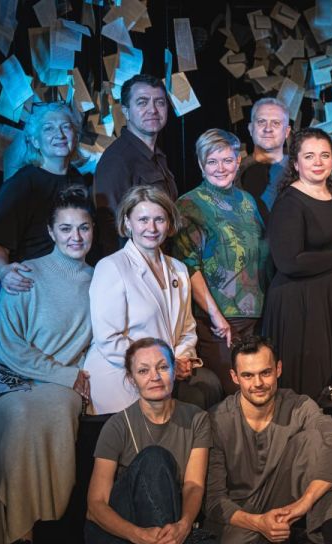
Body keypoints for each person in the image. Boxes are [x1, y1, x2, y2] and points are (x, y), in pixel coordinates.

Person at [56, 338, 236, 544]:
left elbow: (193, 485)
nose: (154, 376)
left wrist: (183, 527)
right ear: (131, 379)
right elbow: (96, 506)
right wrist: (139, 536)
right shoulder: (117, 425)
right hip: (118, 535)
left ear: (174, 371)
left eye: (162, 367)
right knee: (154, 457)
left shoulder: (197, 419)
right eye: (143, 370)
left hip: (167, 529)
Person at [0, 185, 95, 544]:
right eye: (66, 228)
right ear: (51, 231)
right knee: (21, 415)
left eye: (84, 227)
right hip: (5, 369)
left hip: (56, 380)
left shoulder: (100, 280)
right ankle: (19, 537)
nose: (75, 237)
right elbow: (8, 345)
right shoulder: (24, 274)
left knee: (60, 407)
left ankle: (51, 519)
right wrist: (68, 375)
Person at [205, 336, 332, 544]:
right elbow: (214, 498)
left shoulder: (299, 405)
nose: (258, 383)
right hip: (243, 509)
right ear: (234, 377)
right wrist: (258, 523)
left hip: (286, 496)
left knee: (316, 441)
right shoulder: (216, 420)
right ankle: (283, 533)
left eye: (265, 373)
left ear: (278, 369)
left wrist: (303, 504)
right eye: (248, 375)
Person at [84, 185, 222, 414]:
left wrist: (181, 358)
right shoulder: (111, 267)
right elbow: (109, 339)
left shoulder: (178, 269)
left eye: (159, 219)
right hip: (122, 375)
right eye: (143, 219)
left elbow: (187, 329)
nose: (152, 228)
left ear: (169, 223)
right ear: (127, 222)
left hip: (165, 373)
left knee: (209, 386)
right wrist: (163, 365)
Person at [260, 128, 332, 398]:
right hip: (304, 308)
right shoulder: (289, 203)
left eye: (324, 155)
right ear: (296, 163)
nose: (318, 162)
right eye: (309, 156)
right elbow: (289, 262)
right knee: (312, 389)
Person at [174, 128, 269, 397]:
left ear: (238, 161)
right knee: (232, 396)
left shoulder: (247, 201)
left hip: (256, 316)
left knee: (257, 394)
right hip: (219, 323)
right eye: (212, 161)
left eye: (227, 160)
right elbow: (188, 267)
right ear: (201, 164)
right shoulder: (188, 204)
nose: (221, 168)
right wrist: (217, 317)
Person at [0, 102, 86, 294]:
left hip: (70, 284)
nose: (60, 134)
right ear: (35, 141)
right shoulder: (21, 185)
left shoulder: (77, 179)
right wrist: (4, 272)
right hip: (33, 288)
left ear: (75, 136)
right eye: (48, 128)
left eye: (65, 127)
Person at [94, 74, 177, 257]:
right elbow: (111, 231)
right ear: (125, 111)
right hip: (136, 266)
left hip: (161, 260)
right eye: (142, 102)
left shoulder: (158, 156)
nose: (153, 110)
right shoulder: (117, 160)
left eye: (160, 102)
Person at [235, 97, 292, 223]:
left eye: (276, 123)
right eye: (261, 122)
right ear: (250, 128)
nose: (268, 129)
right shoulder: (232, 172)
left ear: (287, 131)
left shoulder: (302, 170)